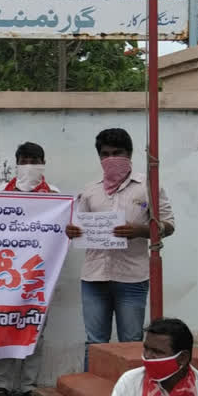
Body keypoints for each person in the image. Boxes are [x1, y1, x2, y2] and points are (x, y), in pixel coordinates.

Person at [65, 128, 175, 370]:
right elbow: (78, 227)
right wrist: (72, 232)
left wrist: (141, 230)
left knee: (132, 342)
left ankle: (133, 394)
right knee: (94, 343)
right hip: (94, 277)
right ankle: (91, 392)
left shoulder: (148, 187)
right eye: (106, 154)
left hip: (132, 278)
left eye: (118, 153)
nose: (111, 158)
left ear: (130, 154)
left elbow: (169, 225)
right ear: (99, 158)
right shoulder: (90, 191)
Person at [0, 142, 58, 396]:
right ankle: (1, 385)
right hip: (5, 273)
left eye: (35, 159)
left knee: (35, 330)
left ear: (43, 162)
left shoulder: (55, 196)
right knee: (5, 329)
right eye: (24, 159)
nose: (29, 164)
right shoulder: (0, 193)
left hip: (40, 274)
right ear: (16, 162)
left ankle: (29, 386)